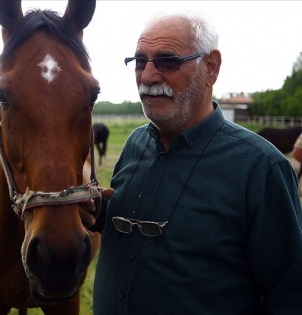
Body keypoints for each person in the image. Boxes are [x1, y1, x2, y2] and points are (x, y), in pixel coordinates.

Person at [82, 12, 302, 314]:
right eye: (140, 61)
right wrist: (99, 211)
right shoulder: (135, 144)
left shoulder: (261, 167)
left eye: (167, 61)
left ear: (210, 67)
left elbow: (289, 295)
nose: (147, 76)